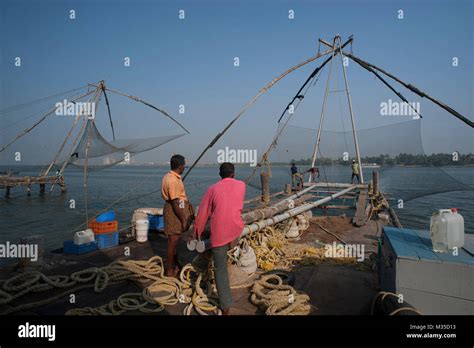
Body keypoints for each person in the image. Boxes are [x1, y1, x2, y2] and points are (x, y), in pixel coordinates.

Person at [193, 162, 246, 315]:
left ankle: (226, 305)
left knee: (220, 269)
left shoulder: (212, 189)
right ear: (233, 174)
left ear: (220, 175)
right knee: (225, 256)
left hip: (220, 234)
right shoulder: (241, 185)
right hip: (236, 230)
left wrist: (196, 234)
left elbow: (203, 214)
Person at [161, 154, 195, 277]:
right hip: (174, 211)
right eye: (184, 165)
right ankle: (169, 270)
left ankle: (175, 265)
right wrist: (184, 219)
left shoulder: (172, 177)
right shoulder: (172, 180)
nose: (184, 167)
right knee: (173, 241)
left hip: (176, 208)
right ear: (180, 166)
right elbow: (175, 203)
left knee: (175, 240)